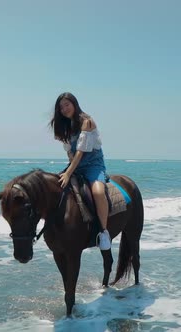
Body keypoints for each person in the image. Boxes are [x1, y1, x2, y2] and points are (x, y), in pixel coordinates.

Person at [49, 92, 111, 251]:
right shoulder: (67, 127)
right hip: (76, 165)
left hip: (93, 165)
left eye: (66, 105)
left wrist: (69, 172)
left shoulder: (87, 122)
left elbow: (81, 152)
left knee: (97, 192)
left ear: (74, 104)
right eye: (61, 107)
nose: (64, 109)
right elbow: (70, 152)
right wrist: (69, 167)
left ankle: (104, 232)